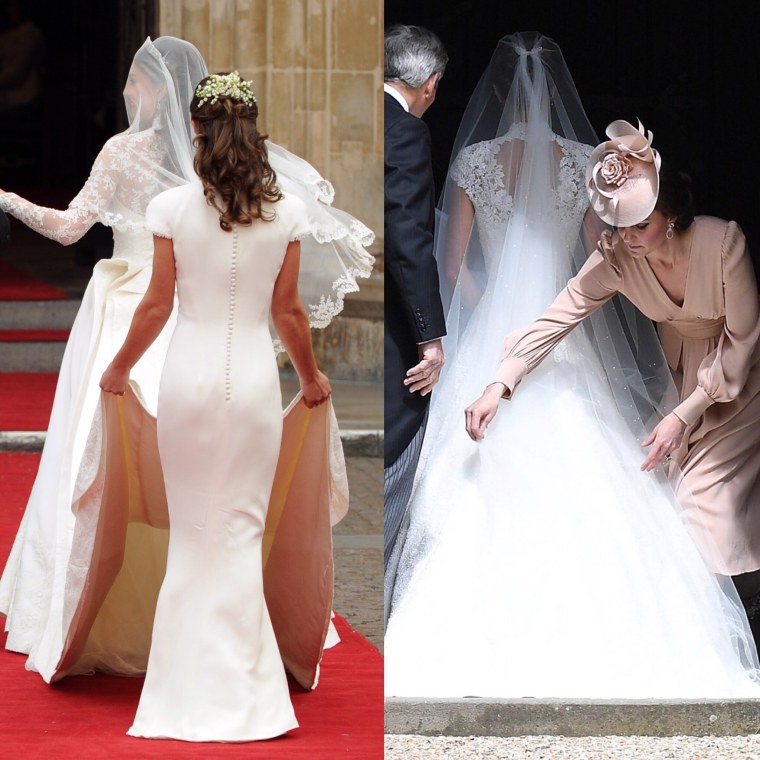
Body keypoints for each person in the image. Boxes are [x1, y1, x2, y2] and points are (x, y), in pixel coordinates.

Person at [384, 32, 760, 698]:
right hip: (550, 329)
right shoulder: (588, 180)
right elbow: (579, 281)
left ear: (497, 92)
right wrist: (504, 377)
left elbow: (451, 266)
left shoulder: (477, 161)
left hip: (552, 333)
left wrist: (478, 318)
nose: (623, 236)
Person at [0, 38, 373, 686]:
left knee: (102, 463)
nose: (125, 94)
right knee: (200, 479)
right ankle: (217, 619)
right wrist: (308, 374)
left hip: (130, 310)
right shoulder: (214, 168)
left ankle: (84, 603)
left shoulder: (123, 152)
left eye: (133, 84)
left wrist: (6, 199)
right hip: (200, 317)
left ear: (158, 91)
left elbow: (68, 230)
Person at [98, 70, 332, 742]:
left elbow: (157, 304)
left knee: (195, 534)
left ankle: (180, 691)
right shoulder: (285, 212)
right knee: (238, 532)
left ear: (195, 130)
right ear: (254, 134)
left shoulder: (170, 207)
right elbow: (288, 313)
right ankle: (247, 695)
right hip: (254, 383)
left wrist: (118, 368)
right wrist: (312, 380)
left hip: (188, 382)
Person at [383, 24, 448, 626]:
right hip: (389, 328)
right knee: (395, 450)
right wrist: (431, 335)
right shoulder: (404, 130)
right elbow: (410, 239)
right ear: (429, 84)